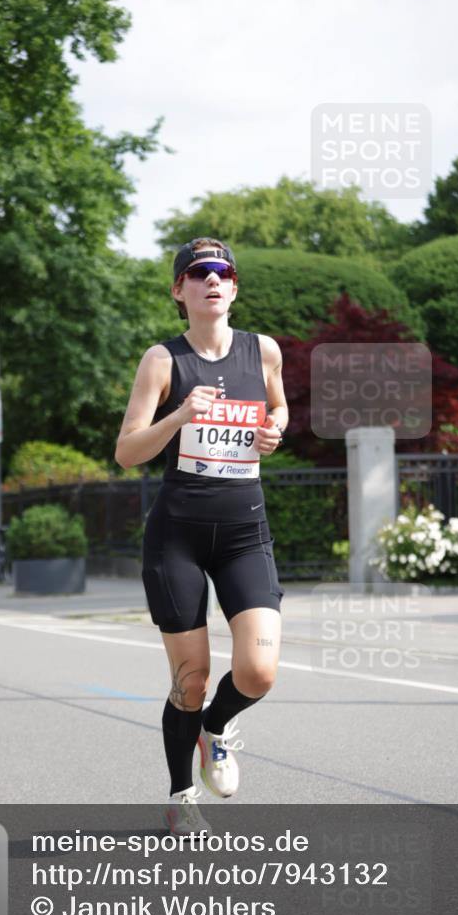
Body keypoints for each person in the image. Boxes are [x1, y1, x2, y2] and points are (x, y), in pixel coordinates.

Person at [115, 237, 288, 835]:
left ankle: (215, 729)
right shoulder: (162, 360)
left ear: (235, 287)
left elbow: (280, 410)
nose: (212, 280)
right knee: (190, 681)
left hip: (244, 531)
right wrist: (181, 415)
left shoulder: (263, 351)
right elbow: (126, 451)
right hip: (178, 537)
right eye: (198, 272)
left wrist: (275, 433)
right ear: (179, 289)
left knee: (259, 670)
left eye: (223, 272)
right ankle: (180, 794)